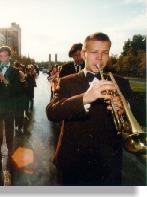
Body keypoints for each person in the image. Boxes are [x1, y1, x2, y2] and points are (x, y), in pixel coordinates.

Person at [46, 32, 133, 185]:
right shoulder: (67, 82)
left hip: (109, 165)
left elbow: (131, 123)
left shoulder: (121, 83)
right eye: (94, 52)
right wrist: (85, 98)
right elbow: (52, 112)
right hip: (75, 162)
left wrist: (124, 110)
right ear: (84, 53)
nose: (100, 57)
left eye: (105, 52)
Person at [0, 46, 21, 169]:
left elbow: (17, 91)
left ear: (9, 57)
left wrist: (5, 81)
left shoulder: (14, 71)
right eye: (0, 56)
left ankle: (11, 156)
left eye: (5, 56)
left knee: (9, 131)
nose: (2, 58)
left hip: (9, 106)